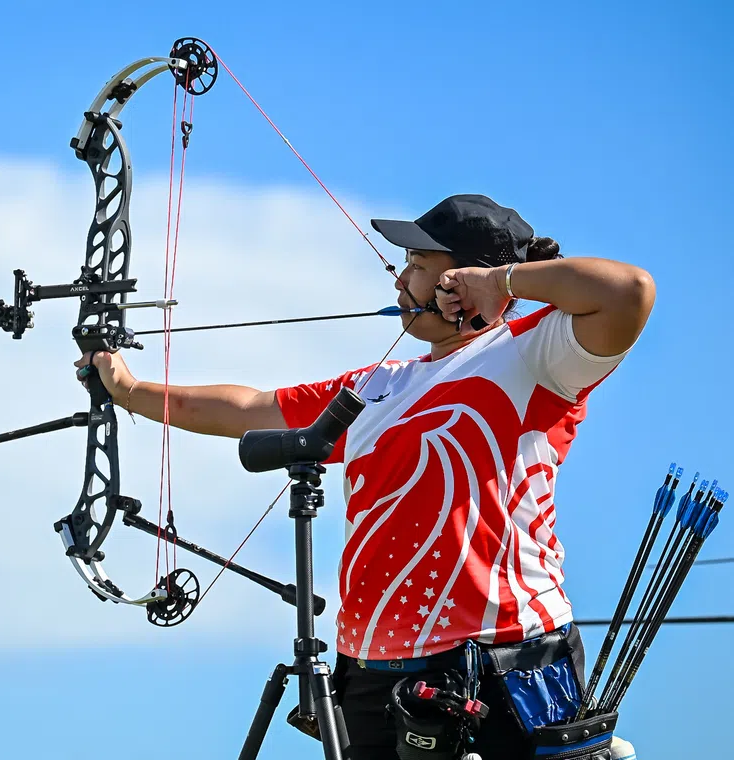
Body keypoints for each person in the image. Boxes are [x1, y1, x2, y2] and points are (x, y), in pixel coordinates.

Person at [75, 193, 655, 758]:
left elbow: (628, 293)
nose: (400, 281)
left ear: (464, 280)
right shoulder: (383, 385)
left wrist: (501, 282)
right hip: (374, 673)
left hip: (499, 664)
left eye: (420, 265)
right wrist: (128, 389)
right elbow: (250, 408)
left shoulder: (535, 356)